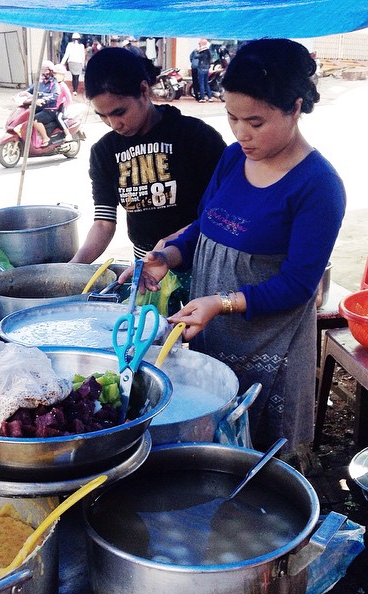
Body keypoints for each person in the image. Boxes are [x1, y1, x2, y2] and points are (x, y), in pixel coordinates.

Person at [122, 38, 346, 453]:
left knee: (260, 455)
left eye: (256, 122)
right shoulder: (232, 158)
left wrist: (220, 303)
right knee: (213, 438)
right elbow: (204, 227)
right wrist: (166, 256)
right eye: (232, 118)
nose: (242, 133)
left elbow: (298, 285)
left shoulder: (319, 185)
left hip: (271, 345)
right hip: (213, 332)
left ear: (295, 107)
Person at [70, 46, 226, 271]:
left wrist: (171, 245)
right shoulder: (104, 151)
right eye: (102, 116)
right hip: (146, 270)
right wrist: (72, 268)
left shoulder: (196, 137)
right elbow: (104, 224)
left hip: (201, 262)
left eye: (119, 112)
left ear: (144, 91)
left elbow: (224, 210)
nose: (114, 125)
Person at [25, 61, 60, 147]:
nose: (44, 73)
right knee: (26, 115)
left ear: (51, 71)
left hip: (49, 110)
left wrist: (43, 98)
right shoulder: (39, 82)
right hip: (39, 107)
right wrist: (20, 95)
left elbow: (55, 95)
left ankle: (45, 138)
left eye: (46, 70)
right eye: (42, 70)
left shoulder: (53, 83)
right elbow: (29, 91)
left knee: (34, 119)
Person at [51, 63, 74, 141]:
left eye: (60, 75)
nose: (57, 76)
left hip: (60, 107)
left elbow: (69, 98)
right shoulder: (52, 84)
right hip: (52, 106)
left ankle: (67, 134)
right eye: (56, 74)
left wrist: (63, 106)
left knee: (59, 117)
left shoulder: (63, 86)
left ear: (63, 76)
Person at [196, 38, 213, 102]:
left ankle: (202, 98)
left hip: (201, 68)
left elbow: (195, 56)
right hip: (206, 68)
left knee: (201, 84)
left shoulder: (202, 53)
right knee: (206, 83)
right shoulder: (208, 53)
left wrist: (196, 51)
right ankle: (210, 97)